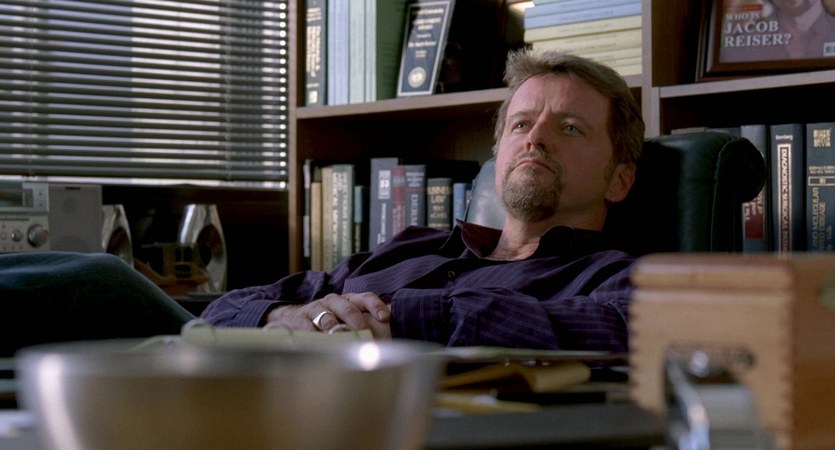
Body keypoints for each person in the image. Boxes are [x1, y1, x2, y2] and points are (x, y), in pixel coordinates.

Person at [198, 48, 645, 352]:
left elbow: (631, 331)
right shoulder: (410, 246)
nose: (536, 139)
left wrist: (405, 317)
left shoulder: (617, 278)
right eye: (521, 124)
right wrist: (287, 316)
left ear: (620, 181)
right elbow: (224, 309)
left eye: (570, 128)